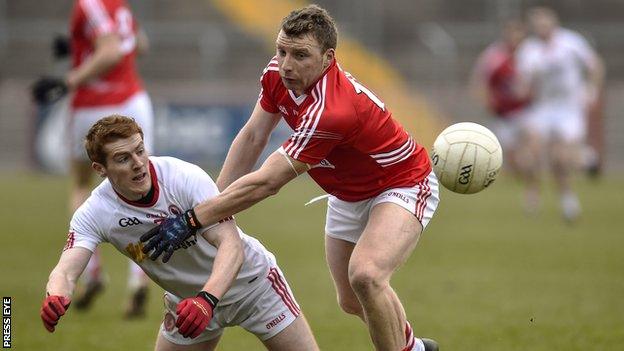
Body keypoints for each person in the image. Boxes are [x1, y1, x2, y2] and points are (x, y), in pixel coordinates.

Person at [140, 5, 439, 351]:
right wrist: (213, 206)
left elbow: (268, 181)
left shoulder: (332, 110)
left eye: (300, 55)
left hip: (401, 182)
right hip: (347, 192)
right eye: (281, 50)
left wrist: (194, 218)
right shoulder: (276, 74)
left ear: (328, 58)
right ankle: (415, 348)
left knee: (367, 275)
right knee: (352, 301)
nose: (286, 64)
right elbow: (253, 136)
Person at [40, 115, 319, 351]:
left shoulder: (183, 177)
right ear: (100, 169)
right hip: (187, 302)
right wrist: (56, 295)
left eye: (140, 150)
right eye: (123, 158)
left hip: (252, 287)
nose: (138, 163)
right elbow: (66, 270)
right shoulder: (95, 212)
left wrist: (207, 300)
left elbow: (231, 245)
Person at [32, 0, 155, 315]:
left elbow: (111, 50)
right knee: (146, 187)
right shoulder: (119, 4)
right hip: (133, 99)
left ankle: (92, 273)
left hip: (93, 105)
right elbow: (137, 45)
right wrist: (78, 48)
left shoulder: (89, 3)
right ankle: (140, 280)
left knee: (81, 184)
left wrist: (67, 79)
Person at [515, 6, 605, 221]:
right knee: (531, 152)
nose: (542, 28)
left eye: (545, 23)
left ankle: (568, 198)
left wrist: (592, 90)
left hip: (569, 108)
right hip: (544, 108)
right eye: (537, 25)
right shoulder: (529, 50)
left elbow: (595, 66)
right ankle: (532, 192)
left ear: (553, 23)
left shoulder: (571, 42)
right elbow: (523, 85)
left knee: (560, 158)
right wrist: (523, 87)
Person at [469, 19, 531, 178]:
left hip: (527, 110)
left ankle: (531, 180)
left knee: (528, 145)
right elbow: (481, 79)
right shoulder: (494, 55)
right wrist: (487, 101)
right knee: (510, 154)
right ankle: (521, 177)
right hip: (502, 113)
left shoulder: (531, 54)